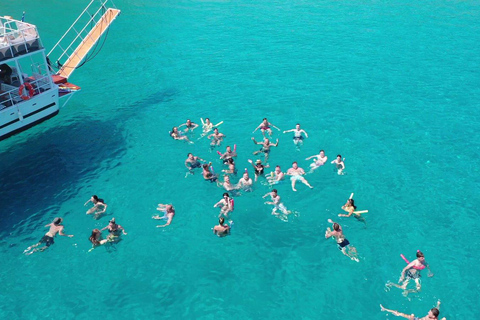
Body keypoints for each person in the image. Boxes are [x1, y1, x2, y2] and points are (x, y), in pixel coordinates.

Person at [380, 300, 445, 320]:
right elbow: (437, 310)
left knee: (408, 316)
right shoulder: (435, 314)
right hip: (417, 318)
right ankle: (385, 309)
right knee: (400, 313)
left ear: (433, 316)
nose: (428, 312)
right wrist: (438, 304)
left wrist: (412, 318)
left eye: (429, 312)